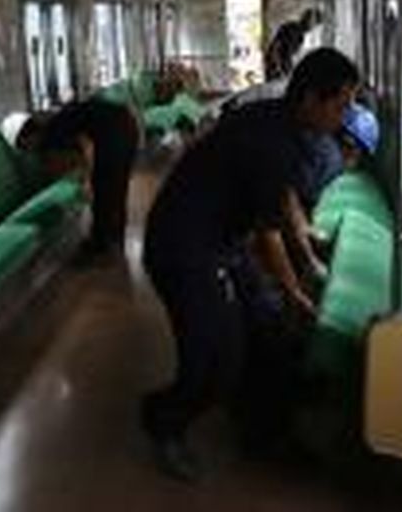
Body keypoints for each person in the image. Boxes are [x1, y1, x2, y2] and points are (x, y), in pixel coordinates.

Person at [140, 48, 359, 481]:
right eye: (342, 104)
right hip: (184, 245)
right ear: (313, 98)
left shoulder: (285, 123)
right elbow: (268, 232)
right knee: (215, 358)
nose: (346, 115)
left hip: (223, 237)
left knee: (267, 325)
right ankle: (163, 420)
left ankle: (264, 432)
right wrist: (296, 289)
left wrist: (308, 260)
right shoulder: (271, 142)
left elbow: (284, 200)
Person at [15, 97, 140, 257]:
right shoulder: (55, 121)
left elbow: (85, 146)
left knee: (103, 189)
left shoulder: (53, 133)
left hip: (114, 132)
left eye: (27, 146)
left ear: (32, 136)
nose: (30, 151)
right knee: (118, 186)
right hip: (127, 124)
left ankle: (100, 244)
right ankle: (115, 237)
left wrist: (88, 179)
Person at [264, 8, 324, 81]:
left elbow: (289, 55)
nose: (312, 28)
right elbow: (277, 47)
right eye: (314, 25)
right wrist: (278, 67)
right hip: (275, 64)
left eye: (315, 26)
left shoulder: (300, 35)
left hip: (279, 65)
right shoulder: (292, 29)